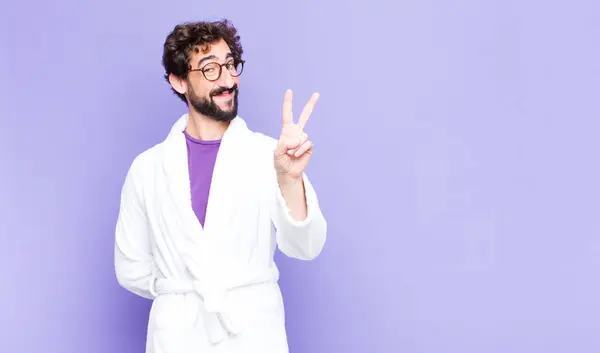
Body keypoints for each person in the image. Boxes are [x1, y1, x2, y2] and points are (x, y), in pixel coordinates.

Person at [113, 18, 327, 353]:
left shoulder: (267, 155)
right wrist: (181, 290)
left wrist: (290, 178)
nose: (227, 79)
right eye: (210, 69)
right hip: (177, 336)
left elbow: (307, 246)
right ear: (180, 80)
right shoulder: (147, 170)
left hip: (253, 333)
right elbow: (130, 268)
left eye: (230, 65)